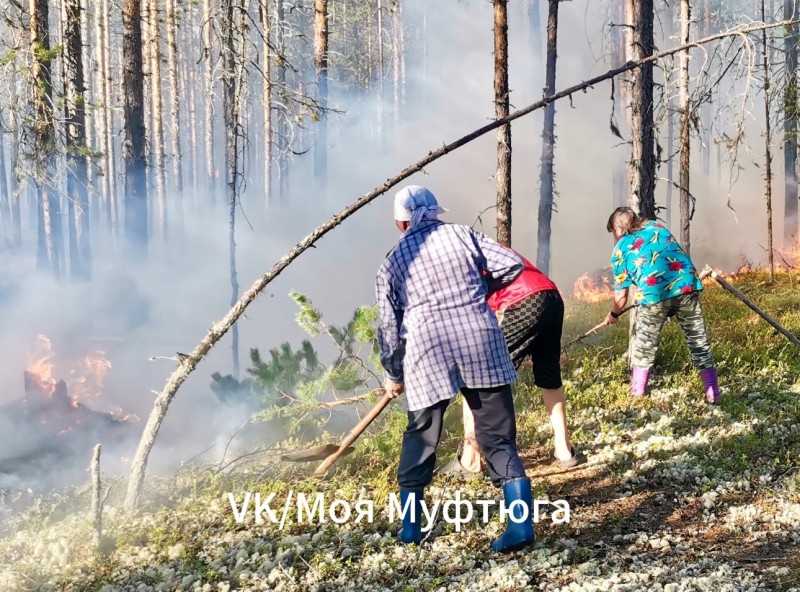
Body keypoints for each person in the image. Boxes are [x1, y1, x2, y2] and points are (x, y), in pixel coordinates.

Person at [376, 185, 534, 552]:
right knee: (497, 436)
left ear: (401, 223)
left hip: (425, 352)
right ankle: (520, 527)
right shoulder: (462, 235)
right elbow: (512, 264)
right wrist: (477, 289)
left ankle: (412, 529)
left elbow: (387, 326)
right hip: (479, 341)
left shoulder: (392, 261)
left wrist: (393, 373)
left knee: (421, 436)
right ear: (434, 212)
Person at [440, 251, 584, 476]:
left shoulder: (456, 265)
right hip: (551, 296)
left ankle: (471, 460)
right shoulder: (481, 248)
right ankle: (565, 451)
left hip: (523, 302)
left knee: (475, 376)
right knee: (550, 378)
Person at [604, 207, 719, 403]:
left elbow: (621, 297)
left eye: (613, 232)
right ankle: (713, 393)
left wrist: (613, 314)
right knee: (698, 340)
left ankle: (637, 395)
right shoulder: (657, 227)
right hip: (686, 287)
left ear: (619, 229)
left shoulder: (620, 249)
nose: (614, 237)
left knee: (644, 345)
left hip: (653, 295)